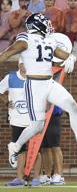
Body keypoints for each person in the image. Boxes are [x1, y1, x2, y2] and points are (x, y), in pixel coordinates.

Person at [0, 13, 77, 168]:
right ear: (36, 25)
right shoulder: (26, 38)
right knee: (37, 126)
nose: (48, 25)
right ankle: (15, 146)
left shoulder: (49, 40)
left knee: (73, 107)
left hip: (49, 82)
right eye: (44, 23)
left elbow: (63, 54)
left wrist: (71, 58)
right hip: (34, 86)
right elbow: (9, 52)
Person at [0, 59, 42, 187]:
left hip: (33, 121)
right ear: (19, 64)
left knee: (36, 150)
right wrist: (6, 102)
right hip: (17, 120)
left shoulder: (35, 78)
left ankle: (36, 179)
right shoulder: (10, 78)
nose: (25, 66)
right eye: (23, 63)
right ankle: (19, 178)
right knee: (19, 150)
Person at [40, 105, 64, 185]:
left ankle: (59, 175)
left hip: (53, 115)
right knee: (45, 147)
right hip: (40, 116)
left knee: (55, 146)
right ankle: (48, 176)